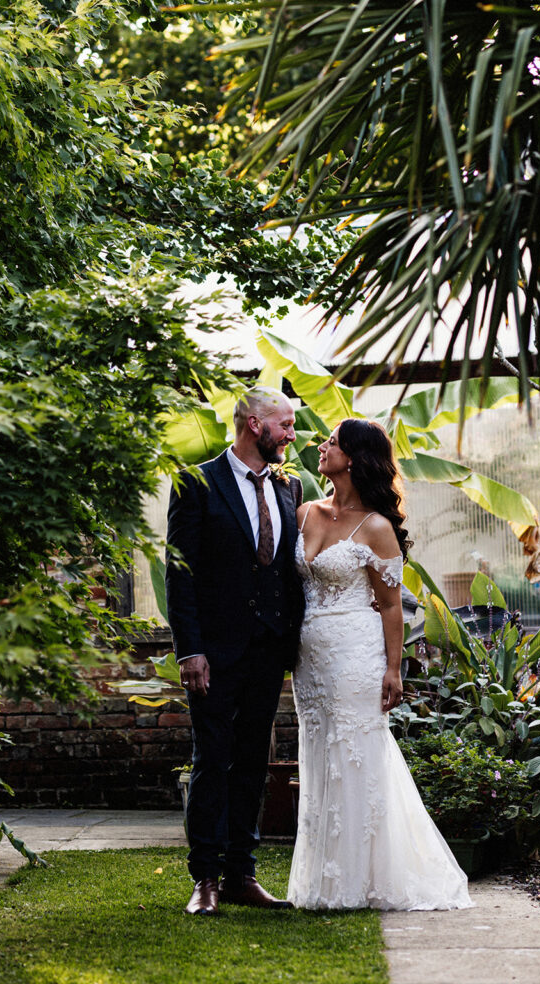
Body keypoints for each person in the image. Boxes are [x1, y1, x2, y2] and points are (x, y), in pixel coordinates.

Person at [288, 418, 472, 910]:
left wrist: (394, 669)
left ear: (354, 457)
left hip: (356, 653)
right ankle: (321, 880)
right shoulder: (303, 512)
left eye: (332, 442)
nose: (322, 447)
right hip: (309, 660)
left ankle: (364, 880)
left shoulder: (377, 527)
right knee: (320, 754)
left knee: (356, 754)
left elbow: (392, 606)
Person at [165, 386, 305, 916]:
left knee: (253, 761)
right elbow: (180, 574)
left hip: (269, 650)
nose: (291, 434)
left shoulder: (287, 488)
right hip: (215, 652)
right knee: (211, 760)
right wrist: (189, 650)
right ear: (253, 424)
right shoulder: (197, 482)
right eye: (284, 424)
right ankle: (205, 878)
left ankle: (242, 873)